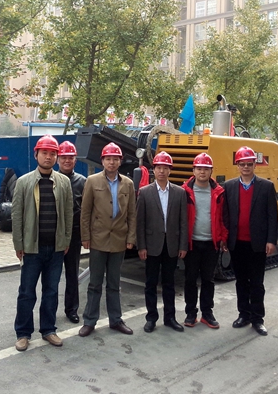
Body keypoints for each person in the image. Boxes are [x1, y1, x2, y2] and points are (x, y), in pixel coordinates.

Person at [12, 135, 73, 352]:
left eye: (52, 153)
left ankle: (48, 329)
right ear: (36, 154)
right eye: (44, 153)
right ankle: (23, 333)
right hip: (31, 248)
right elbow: (16, 215)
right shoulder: (24, 182)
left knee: (51, 291)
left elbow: (68, 213)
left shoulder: (63, 182)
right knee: (27, 292)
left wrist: (65, 240)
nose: (48, 157)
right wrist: (18, 244)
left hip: (55, 248)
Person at [79, 142, 137, 337]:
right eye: (108, 159)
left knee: (114, 283)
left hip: (119, 239)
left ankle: (116, 320)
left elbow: (132, 214)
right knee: (94, 283)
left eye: (115, 159)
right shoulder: (92, 181)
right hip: (98, 239)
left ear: (120, 161)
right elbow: (85, 212)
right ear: (102, 161)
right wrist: (85, 236)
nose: (112, 162)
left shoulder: (128, 184)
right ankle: (89, 321)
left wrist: (131, 237)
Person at [223, 146, 278, 336]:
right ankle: (243, 315)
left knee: (256, 283)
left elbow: (272, 215)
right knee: (241, 281)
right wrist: (225, 238)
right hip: (237, 243)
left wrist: (271, 240)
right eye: (242, 164)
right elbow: (225, 215)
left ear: (255, 165)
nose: (246, 167)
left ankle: (257, 319)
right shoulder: (229, 186)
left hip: (257, 243)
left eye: (249, 164)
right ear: (237, 165)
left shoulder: (266, 187)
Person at [136, 151, 188, 333]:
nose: (162, 171)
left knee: (169, 283)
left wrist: (183, 245)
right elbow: (140, 222)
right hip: (151, 245)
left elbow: (183, 222)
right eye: (159, 168)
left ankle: (170, 318)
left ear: (169, 170)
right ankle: (151, 318)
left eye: (165, 168)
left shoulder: (180, 193)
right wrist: (141, 246)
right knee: (150, 283)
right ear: (154, 170)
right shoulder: (145, 192)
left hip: (171, 245)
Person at [181, 152, 228, 330]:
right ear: (193, 170)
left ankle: (207, 313)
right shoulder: (185, 191)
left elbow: (223, 218)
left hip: (211, 243)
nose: (202, 172)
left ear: (211, 171)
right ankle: (191, 313)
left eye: (206, 169)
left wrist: (223, 238)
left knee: (208, 280)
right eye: (199, 168)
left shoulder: (219, 193)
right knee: (190, 279)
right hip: (192, 243)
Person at [56, 141, 86, 324]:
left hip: (74, 235)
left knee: (72, 274)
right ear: (58, 159)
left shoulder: (82, 182)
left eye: (70, 157)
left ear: (75, 160)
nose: (67, 160)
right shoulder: (50, 179)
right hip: (53, 235)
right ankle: (49, 310)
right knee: (51, 276)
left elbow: (87, 210)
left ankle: (71, 309)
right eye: (64, 157)